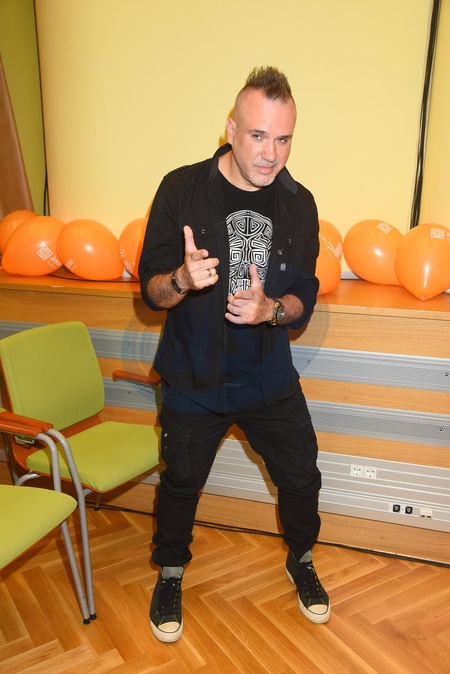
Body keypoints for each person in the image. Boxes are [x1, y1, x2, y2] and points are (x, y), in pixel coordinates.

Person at [138, 65, 329, 643]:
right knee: (181, 484)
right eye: (258, 135)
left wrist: (273, 309)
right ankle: (171, 572)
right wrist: (181, 279)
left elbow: (305, 294)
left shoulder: (299, 203)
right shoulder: (180, 189)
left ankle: (301, 559)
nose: (271, 154)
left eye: (284, 138)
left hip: (268, 378)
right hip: (194, 377)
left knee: (302, 478)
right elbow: (150, 292)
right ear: (230, 129)